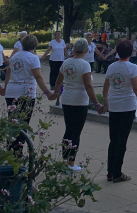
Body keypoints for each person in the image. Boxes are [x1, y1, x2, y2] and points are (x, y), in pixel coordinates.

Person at [102, 40, 137, 182]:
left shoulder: (111, 67)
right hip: (127, 106)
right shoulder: (132, 68)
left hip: (114, 105)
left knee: (113, 139)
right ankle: (117, 173)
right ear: (131, 52)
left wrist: (105, 102)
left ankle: (110, 171)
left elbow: (105, 88)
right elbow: (136, 89)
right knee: (122, 140)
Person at [49, 38, 102, 172]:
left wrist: (56, 93)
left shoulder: (66, 63)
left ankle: (65, 159)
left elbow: (58, 81)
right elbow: (88, 85)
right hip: (79, 100)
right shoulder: (84, 65)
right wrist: (96, 102)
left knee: (68, 129)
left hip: (67, 98)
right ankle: (71, 162)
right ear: (85, 50)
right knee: (76, 132)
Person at [2, 35, 52, 129]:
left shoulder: (14, 57)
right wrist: (47, 92)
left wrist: (5, 88)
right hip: (25, 91)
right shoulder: (33, 58)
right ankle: (19, 142)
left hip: (11, 90)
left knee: (12, 121)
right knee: (23, 122)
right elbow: (38, 76)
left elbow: (8, 75)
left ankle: (11, 142)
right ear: (34, 45)